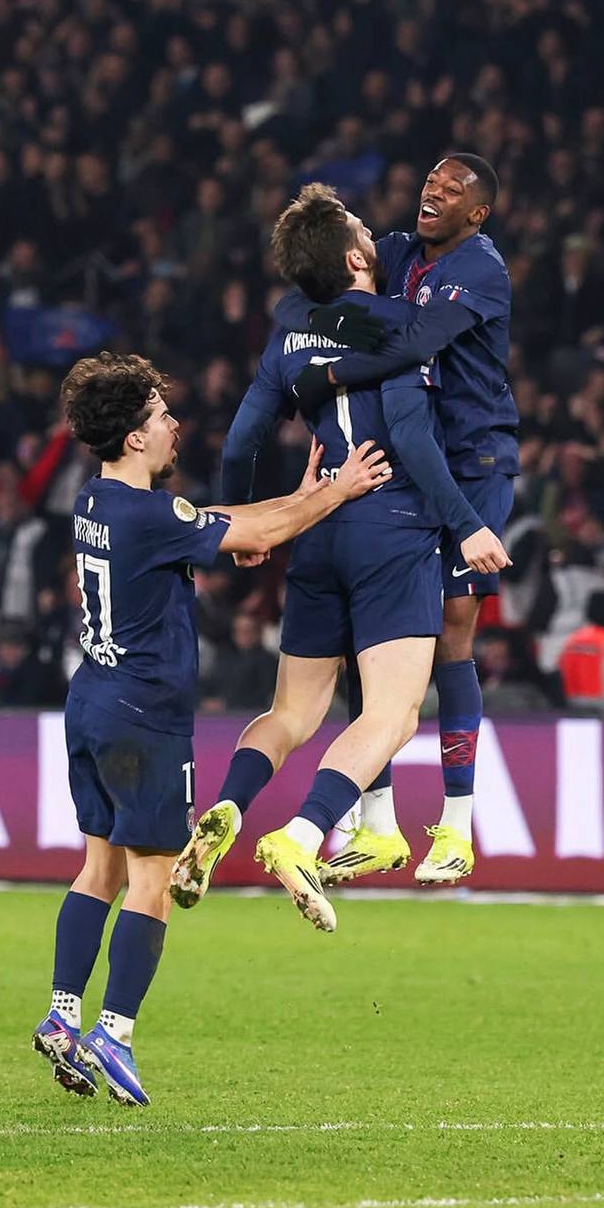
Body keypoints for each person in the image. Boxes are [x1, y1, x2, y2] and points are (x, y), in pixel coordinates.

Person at [30, 350, 391, 1106]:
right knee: (154, 880)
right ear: (134, 437)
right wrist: (335, 490)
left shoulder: (96, 501)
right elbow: (246, 526)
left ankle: (63, 1015)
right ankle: (114, 1033)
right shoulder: (150, 515)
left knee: (100, 869)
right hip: (145, 719)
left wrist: (291, 504)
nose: (174, 426)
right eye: (162, 416)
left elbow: (225, 526)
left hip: (92, 702)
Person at [170, 184, 508, 931]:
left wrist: (250, 525)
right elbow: (411, 434)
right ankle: (302, 833)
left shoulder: (290, 334)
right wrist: (465, 524)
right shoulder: (396, 325)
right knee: (393, 714)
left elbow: (241, 442)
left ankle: (228, 808)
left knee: (290, 713)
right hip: (392, 528)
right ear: (357, 258)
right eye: (362, 228)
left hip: (318, 525)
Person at [275, 153, 518, 883]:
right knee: (374, 634)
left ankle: (457, 826)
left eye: (452, 189)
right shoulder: (400, 251)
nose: (432, 192)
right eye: (430, 182)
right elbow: (323, 281)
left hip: (472, 459)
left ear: (477, 213)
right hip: (412, 464)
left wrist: (325, 372)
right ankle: (378, 823)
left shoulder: (480, 270)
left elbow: (413, 343)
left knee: (452, 630)